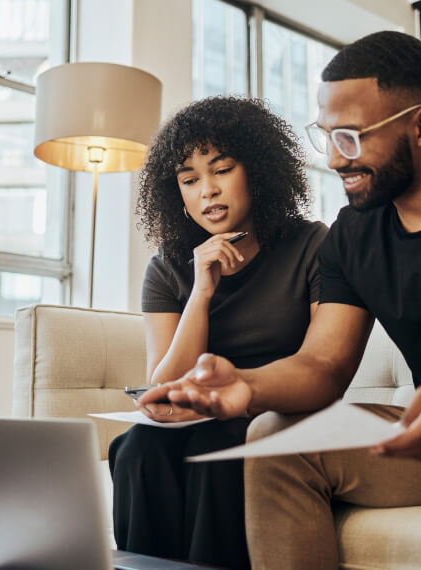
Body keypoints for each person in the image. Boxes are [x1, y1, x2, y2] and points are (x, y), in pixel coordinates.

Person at [141, 31, 421, 570]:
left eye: (350, 137)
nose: (332, 159)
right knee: (275, 435)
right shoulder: (354, 236)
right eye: (325, 136)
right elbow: (323, 364)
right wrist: (244, 384)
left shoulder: (311, 242)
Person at [109, 96, 327, 569]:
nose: (206, 190)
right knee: (137, 447)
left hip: (274, 412)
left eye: (221, 170)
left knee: (218, 447)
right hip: (194, 418)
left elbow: (319, 367)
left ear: (259, 171)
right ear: (178, 197)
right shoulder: (168, 268)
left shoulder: (311, 245)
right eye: (189, 180)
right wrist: (200, 293)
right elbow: (163, 386)